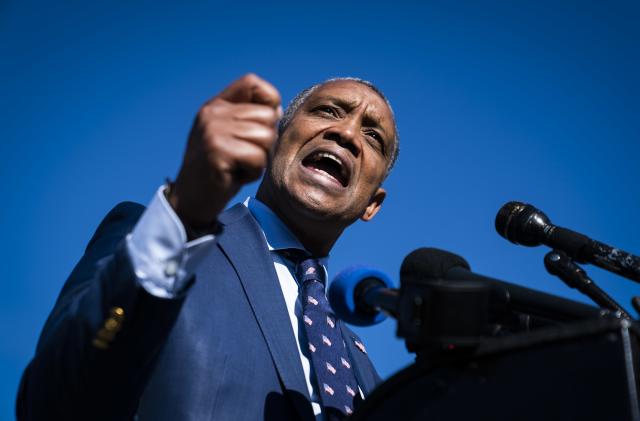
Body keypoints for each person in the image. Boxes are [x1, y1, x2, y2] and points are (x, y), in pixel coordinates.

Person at [17, 74, 399, 420]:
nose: (347, 134)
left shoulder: (363, 370)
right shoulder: (162, 245)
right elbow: (54, 403)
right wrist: (185, 211)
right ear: (273, 141)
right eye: (328, 111)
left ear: (372, 204)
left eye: (373, 137)